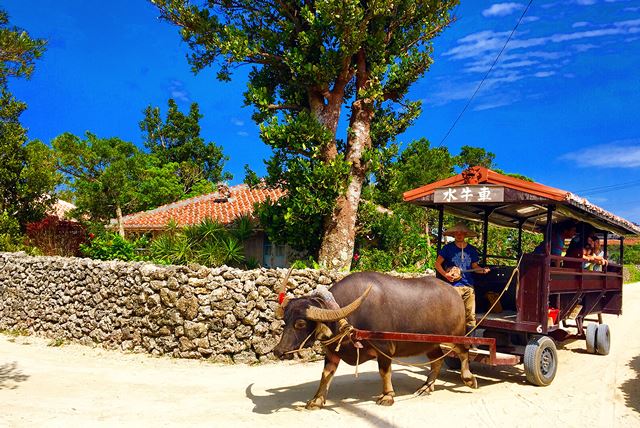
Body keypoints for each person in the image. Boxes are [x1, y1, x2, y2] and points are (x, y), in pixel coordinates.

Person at [434, 222, 490, 331]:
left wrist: (482, 270)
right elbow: (437, 264)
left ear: (465, 234)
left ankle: (470, 339)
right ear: (454, 235)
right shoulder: (447, 248)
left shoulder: (471, 249)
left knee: (470, 316)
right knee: (452, 314)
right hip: (453, 286)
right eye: (457, 233)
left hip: (469, 286)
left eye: (461, 233)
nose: (459, 235)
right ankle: (452, 338)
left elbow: (474, 266)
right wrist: (446, 275)